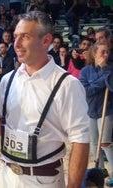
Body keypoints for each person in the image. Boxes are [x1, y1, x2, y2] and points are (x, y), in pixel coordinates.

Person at [0, 11, 90, 188]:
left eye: (25, 37)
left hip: (42, 180)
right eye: (15, 37)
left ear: (46, 41)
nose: (17, 44)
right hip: (5, 175)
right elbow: (1, 123)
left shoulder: (67, 85)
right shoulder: (8, 80)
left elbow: (80, 140)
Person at [79, 42, 113, 187]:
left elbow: (111, 86)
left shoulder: (110, 69)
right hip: (91, 111)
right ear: (94, 54)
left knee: (105, 143)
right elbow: (85, 91)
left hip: (107, 111)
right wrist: (101, 81)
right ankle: (100, 173)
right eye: (103, 52)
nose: (106, 55)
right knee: (94, 144)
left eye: (107, 52)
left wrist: (105, 71)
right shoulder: (86, 71)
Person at [0, 42, 14, 114]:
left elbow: (9, 69)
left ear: (7, 48)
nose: (0, 49)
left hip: (7, 82)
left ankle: (5, 113)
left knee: (6, 99)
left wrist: (2, 70)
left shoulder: (10, 58)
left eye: (2, 47)